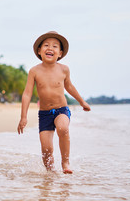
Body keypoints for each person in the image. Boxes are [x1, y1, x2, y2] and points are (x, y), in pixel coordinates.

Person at [17, 31, 91, 174]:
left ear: (60, 53)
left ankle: (65, 162)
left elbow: (69, 87)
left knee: (63, 129)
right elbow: (27, 94)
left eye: (55, 46)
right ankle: (51, 173)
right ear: (39, 51)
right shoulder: (34, 71)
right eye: (46, 45)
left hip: (61, 110)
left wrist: (82, 102)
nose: (50, 48)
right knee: (46, 149)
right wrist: (23, 117)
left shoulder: (64, 69)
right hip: (44, 114)